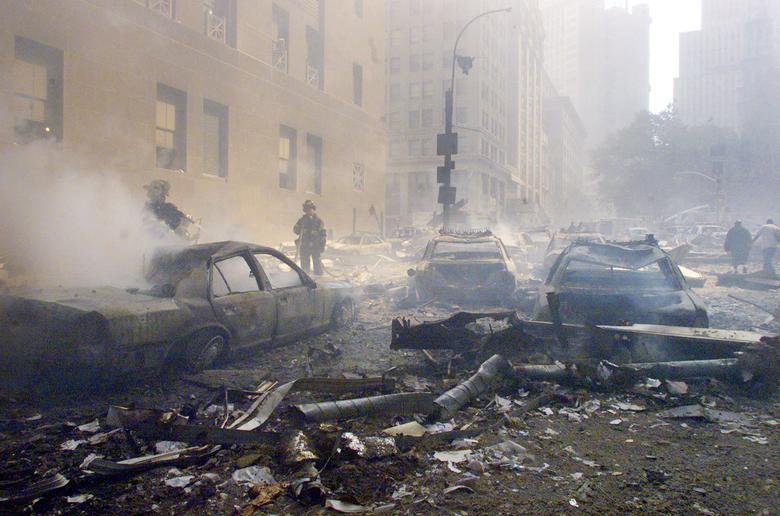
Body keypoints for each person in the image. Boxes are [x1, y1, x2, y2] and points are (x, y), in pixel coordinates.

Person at [293, 200, 326, 275]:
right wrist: (299, 227)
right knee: (305, 268)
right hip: (304, 247)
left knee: (317, 266)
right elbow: (295, 230)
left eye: (310, 209)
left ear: (313, 209)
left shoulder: (319, 221)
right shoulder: (302, 220)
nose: (309, 211)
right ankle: (306, 279)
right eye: (307, 209)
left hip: (315, 247)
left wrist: (322, 246)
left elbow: (323, 235)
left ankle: (319, 280)